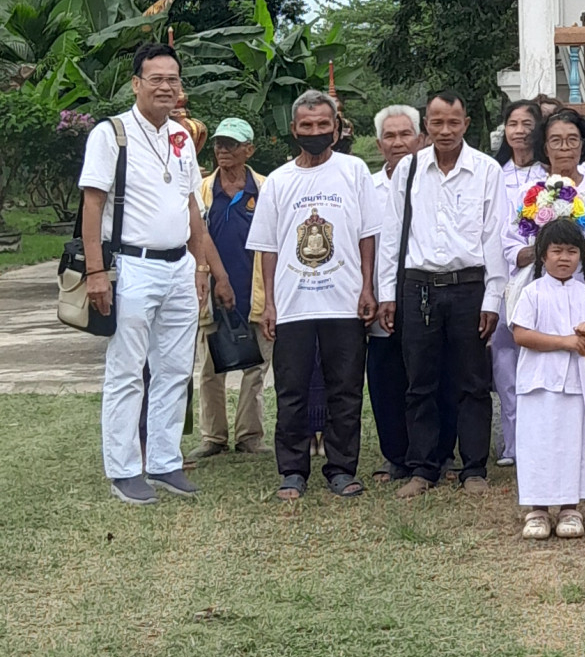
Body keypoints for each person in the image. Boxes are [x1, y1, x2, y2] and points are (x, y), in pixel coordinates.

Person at [78, 40, 235, 507]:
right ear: (136, 83)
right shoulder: (111, 134)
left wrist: (200, 264)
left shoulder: (182, 136)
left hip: (178, 266)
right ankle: (124, 469)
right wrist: (96, 272)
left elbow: (190, 205)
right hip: (130, 265)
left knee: (172, 369)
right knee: (128, 370)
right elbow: (93, 204)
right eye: (156, 79)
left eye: (173, 79)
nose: (166, 87)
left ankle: (165, 460)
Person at [249, 90, 380, 503]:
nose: (316, 132)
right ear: (293, 130)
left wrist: (367, 286)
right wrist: (269, 302)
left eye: (324, 125)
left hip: (343, 302)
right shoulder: (279, 182)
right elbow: (267, 247)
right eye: (307, 126)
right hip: (292, 305)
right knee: (292, 391)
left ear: (337, 129)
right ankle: (292, 470)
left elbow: (367, 235)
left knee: (345, 390)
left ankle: (341, 469)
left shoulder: (354, 171)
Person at [377, 91, 506, 496]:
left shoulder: (485, 169)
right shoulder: (410, 169)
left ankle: (473, 469)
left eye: (453, 122)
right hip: (419, 287)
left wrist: (492, 299)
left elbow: (494, 236)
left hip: (469, 286)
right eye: (437, 123)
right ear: (425, 127)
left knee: (471, 381)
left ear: (466, 123)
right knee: (419, 381)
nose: (445, 130)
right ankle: (423, 468)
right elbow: (391, 234)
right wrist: (387, 294)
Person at [367, 105, 455, 483]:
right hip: (382, 293)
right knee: (387, 376)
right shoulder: (366, 186)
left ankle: (438, 452)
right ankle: (396, 456)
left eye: (406, 134)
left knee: (433, 374)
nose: (398, 142)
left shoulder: (434, 179)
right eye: (390, 135)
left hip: (426, 292)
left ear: (420, 139)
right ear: (378, 143)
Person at [508, 214, 585, 541]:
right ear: (542, 255)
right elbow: (521, 335)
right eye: (556, 251)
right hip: (538, 383)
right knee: (539, 444)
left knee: (572, 446)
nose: (564, 258)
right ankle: (537, 510)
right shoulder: (533, 292)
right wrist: (565, 341)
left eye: (571, 251)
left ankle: (569, 508)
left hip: (576, 386)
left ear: (581, 256)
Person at [193, 117, 268, 456]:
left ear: (249, 150)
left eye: (232, 144)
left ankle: (249, 435)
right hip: (211, 289)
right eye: (219, 143)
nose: (223, 150)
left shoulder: (265, 188)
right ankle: (213, 437)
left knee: (256, 367)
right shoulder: (203, 189)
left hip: (256, 289)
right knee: (210, 367)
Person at [490, 99, 544, 466]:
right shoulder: (492, 173)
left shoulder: (551, 176)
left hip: (541, 278)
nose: (520, 130)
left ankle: (543, 439)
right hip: (501, 279)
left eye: (528, 123)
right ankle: (512, 444)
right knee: (504, 364)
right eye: (513, 123)